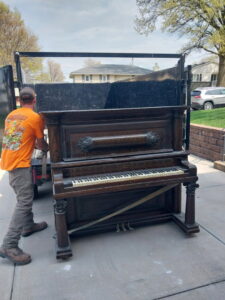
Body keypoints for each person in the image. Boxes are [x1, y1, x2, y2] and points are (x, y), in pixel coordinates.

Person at [0, 87, 49, 265]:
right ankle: (9, 245)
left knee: (23, 197)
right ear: (34, 101)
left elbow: (16, 139)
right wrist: (47, 148)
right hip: (20, 164)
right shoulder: (36, 118)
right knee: (25, 201)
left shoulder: (11, 115)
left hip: (8, 161)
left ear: (19, 101)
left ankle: (28, 226)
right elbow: (40, 142)